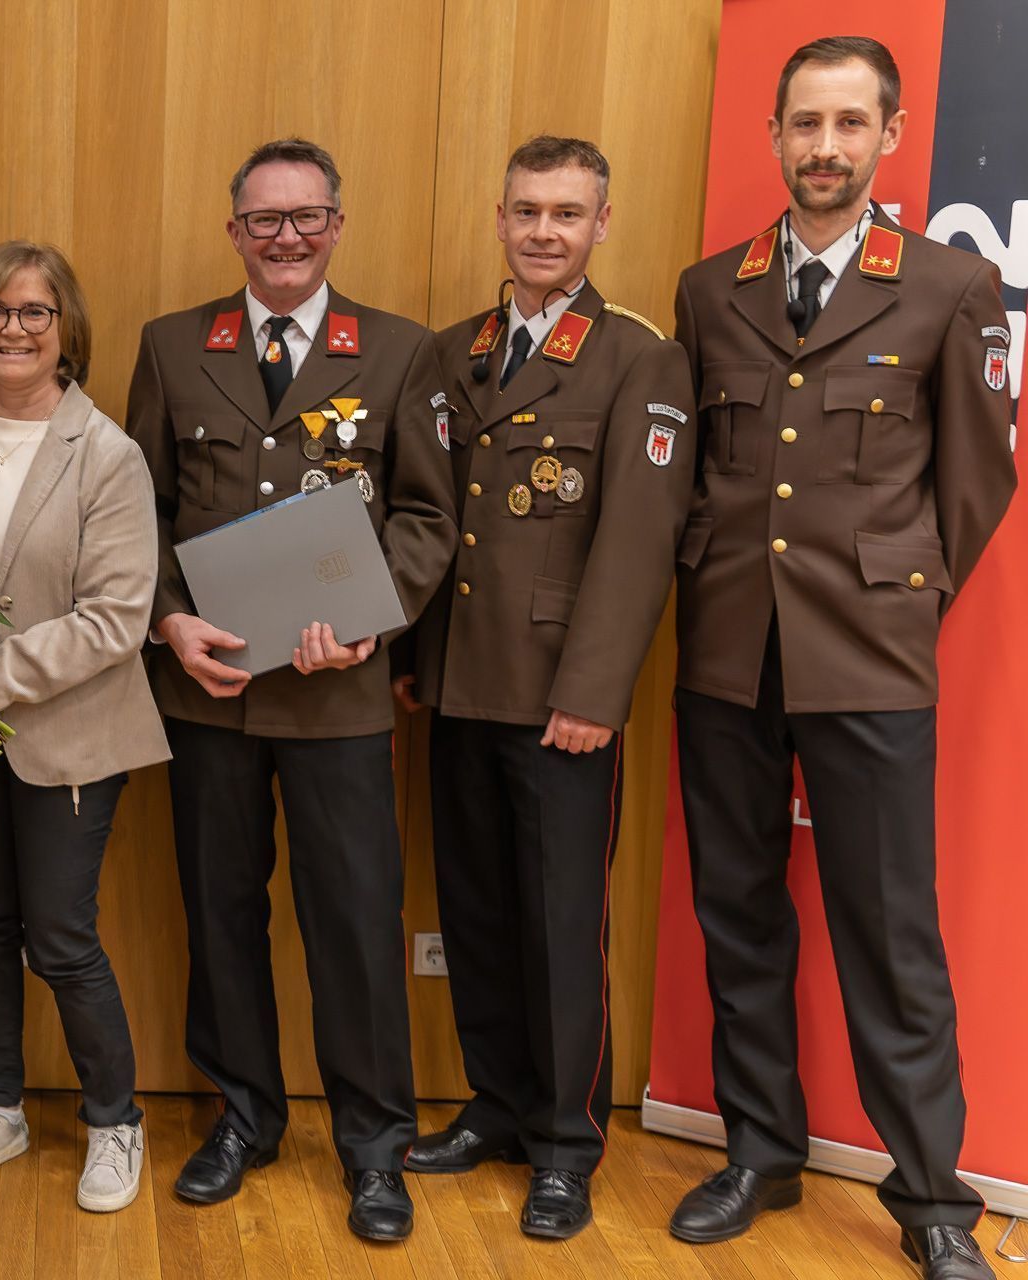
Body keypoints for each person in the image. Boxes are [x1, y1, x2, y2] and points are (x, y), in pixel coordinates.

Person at [668, 37, 1014, 1280]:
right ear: (775, 136)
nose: (825, 147)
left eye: (850, 125)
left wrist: (898, 600)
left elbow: (978, 481)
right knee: (739, 911)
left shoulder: (945, 285)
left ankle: (930, 1200)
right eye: (805, 124)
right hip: (726, 647)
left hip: (869, 654)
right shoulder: (711, 289)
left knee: (889, 928)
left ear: (893, 134)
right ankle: (760, 1149)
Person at [124, 137, 457, 1242]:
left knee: (355, 922)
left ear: (337, 224)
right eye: (264, 220)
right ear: (234, 232)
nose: (286, 238)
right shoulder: (174, 347)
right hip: (210, 690)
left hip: (339, 698)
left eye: (306, 217)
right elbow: (144, 515)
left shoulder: (402, 352)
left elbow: (425, 519)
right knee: (221, 912)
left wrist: (369, 618)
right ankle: (243, 1115)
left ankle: (373, 1144)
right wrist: (167, 620)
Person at [396, 136, 693, 1238]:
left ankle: (566, 1140)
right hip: (461, 683)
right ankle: (498, 1103)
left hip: (563, 695)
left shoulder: (635, 358)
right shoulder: (453, 350)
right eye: (527, 210)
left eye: (568, 213)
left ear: (601, 224)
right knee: (475, 910)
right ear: (501, 215)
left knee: (563, 924)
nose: (544, 231)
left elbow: (637, 540)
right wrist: (415, 661)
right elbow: (432, 519)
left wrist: (597, 690)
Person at [0, 241, 168, 1214]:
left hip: (67, 731)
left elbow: (116, 616)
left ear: (67, 331)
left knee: (59, 933)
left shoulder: (105, 452)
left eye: (34, 312)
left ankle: (114, 1119)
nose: (13, 329)